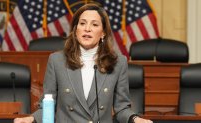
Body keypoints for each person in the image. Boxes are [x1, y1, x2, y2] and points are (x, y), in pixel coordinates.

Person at [14, 3, 153, 123]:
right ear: (75, 30)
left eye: (94, 24)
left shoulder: (118, 62)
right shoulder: (56, 61)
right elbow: (48, 106)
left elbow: (122, 108)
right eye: (82, 23)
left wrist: (135, 118)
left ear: (103, 32)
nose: (87, 29)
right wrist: (31, 118)